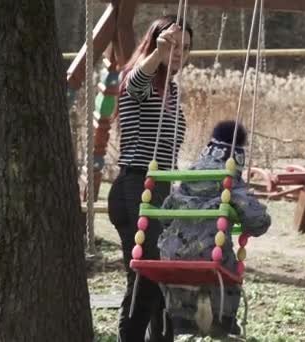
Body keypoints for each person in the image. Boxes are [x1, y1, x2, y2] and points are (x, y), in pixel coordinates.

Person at [107, 15, 193, 342]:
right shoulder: (139, 79)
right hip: (135, 187)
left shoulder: (170, 90)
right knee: (146, 280)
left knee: (162, 285)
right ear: (155, 43)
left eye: (184, 48)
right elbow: (136, 81)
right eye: (172, 45)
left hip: (160, 191)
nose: (177, 54)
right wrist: (158, 52)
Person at [157, 120, 272, 338]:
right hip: (210, 253)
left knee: (182, 261)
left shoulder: (187, 178)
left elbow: (164, 215)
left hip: (171, 253)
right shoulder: (229, 180)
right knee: (227, 269)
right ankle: (223, 321)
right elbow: (258, 222)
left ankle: (181, 319)